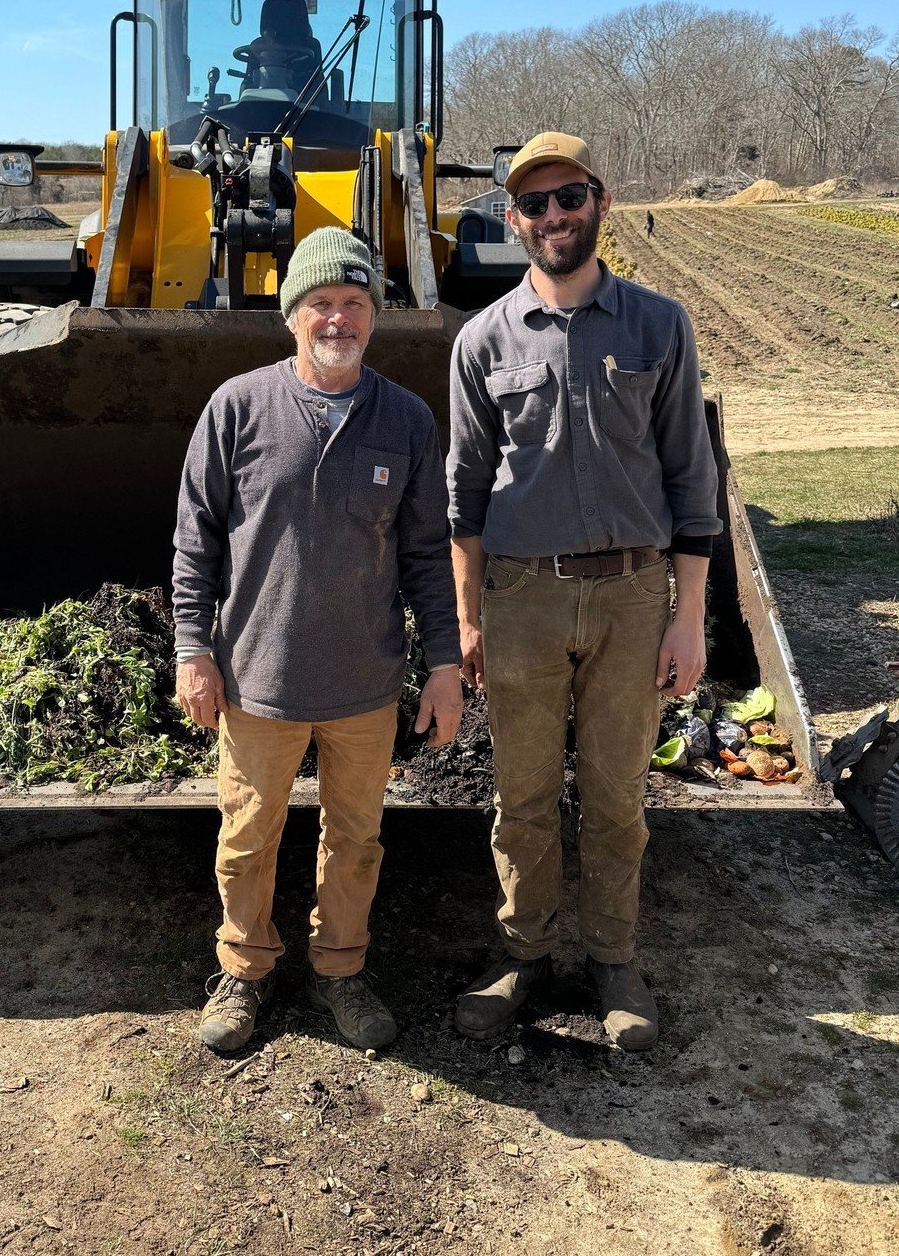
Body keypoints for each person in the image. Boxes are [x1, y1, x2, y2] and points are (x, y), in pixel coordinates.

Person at [447, 132, 720, 1050]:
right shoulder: (481, 340)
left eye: (569, 198)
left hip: (633, 600)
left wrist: (689, 619)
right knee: (520, 793)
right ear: (513, 221)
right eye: (534, 205)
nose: (553, 217)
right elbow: (463, 495)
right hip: (521, 599)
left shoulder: (657, 324)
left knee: (615, 795)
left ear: (598, 202)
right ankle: (522, 955)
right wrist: (468, 617)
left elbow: (692, 477)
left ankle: (612, 958)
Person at [173, 226, 464, 1054]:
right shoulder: (237, 407)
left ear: (373, 317)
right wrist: (194, 649)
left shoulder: (404, 420)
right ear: (291, 314)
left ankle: (340, 969)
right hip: (255, 676)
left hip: (365, 684)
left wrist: (442, 663)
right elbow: (194, 539)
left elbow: (423, 554)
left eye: (354, 304)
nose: (337, 319)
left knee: (355, 838)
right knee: (247, 833)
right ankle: (244, 969)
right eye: (320, 304)